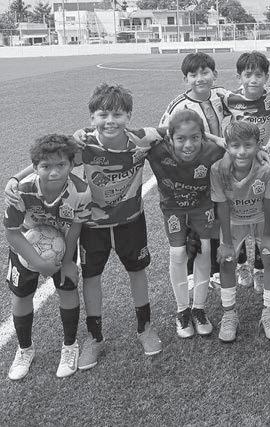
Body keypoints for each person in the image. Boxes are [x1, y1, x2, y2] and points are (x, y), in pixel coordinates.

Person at [6, 84, 164, 369]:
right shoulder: (84, 145)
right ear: (92, 118)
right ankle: (95, 337)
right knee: (92, 277)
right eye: (103, 115)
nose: (110, 121)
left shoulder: (144, 139)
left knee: (137, 272)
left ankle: (145, 328)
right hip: (92, 224)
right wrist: (16, 179)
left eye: (117, 114)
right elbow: (49, 161)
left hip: (131, 221)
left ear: (129, 116)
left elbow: (175, 129)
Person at [5, 134, 91, 380]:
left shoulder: (80, 191)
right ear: (34, 167)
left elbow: (75, 227)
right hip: (25, 244)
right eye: (45, 166)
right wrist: (40, 263)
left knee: (68, 288)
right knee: (21, 295)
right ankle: (25, 349)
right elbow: (12, 233)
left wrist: (67, 262)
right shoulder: (21, 190)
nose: (54, 172)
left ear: (72, 164)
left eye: (61, 165)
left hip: (62, 244)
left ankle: (70, 345)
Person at [148, 110, 224, 338]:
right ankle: (182, 310)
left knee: (205, 250)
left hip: (202, 207)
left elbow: (244, 147)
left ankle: (199, 309)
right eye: (181, 139)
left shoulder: (214, 150)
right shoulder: (157, 150)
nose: (188, 145)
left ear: (203, 136)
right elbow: (126, 135)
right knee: (178, 253)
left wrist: (218, 140)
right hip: (173, 208)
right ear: (170, 138)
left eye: (195, 137)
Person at [159, 52, 228, 290]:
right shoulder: (179, 105)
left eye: (205, 72)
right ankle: (190, 272)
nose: (200, 78)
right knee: (189, 221)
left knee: (214, 218)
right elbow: (165, 132)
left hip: (215, 168)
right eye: (193, 75)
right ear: (185, 79)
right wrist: (213, 139)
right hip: (188, 171)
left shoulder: (221, 96)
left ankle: (215, 270)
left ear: (214, 74)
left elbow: (245, 102)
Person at [210, 121, 270, 342]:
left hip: (262, 219)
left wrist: (268, 235)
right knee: (227, 261)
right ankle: (229, 314)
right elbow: (221, 205)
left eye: (248, 145)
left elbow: (269, 201)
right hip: (234, 221)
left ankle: (269, 312)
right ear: (227, 146)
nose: (242, 151)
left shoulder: (265, 168)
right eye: (235, 146)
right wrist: (225, 242)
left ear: (258, 145)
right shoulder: (217, 170)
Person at [219, 51, 270, 292]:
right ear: (239, 77)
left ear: (266, 77)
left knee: (261, 214)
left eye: (258, 75)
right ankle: (242, 264)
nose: (253, 80)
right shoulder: (229, 99)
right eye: (248, 75)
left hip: (263, 163)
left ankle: (259, 268)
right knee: (239, 213)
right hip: (239, 163)